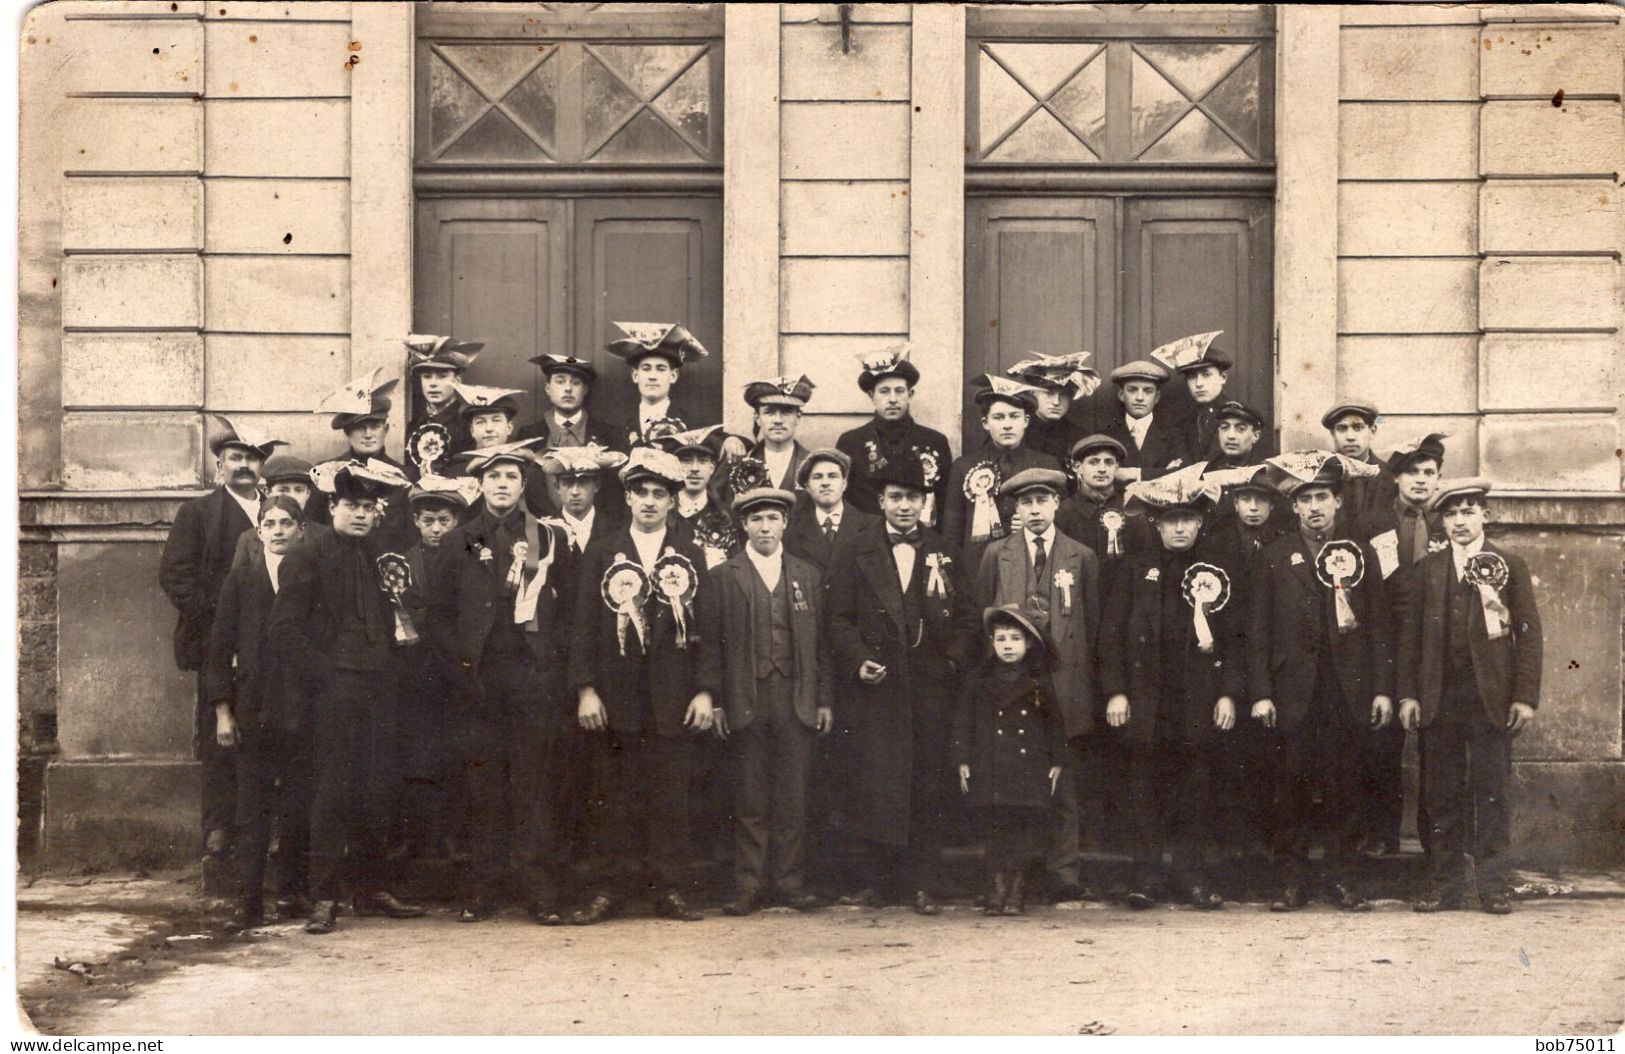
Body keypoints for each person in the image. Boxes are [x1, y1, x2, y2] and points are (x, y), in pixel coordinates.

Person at [267, 459, 426, 935]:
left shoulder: (382, 554)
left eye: (368, 507)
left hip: (381, 686)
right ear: (332, 506)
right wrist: (325, 676)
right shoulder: (308, 554)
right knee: (332, 791)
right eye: (351, 506)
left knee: (379, 786)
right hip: (333, 691)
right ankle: (324, 896)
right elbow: (285, 630)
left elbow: (402, 619)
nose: (360, 515)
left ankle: (372, 888)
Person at [566, 447, 716, 925]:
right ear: (627, 497)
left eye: (659, 494)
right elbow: (584, 625)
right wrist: (586, 689)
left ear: (673, 501)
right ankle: (607, 888)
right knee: (611, 793)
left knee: (672, 795)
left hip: (673, 695)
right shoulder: (604, 548)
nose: (650, 502)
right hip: (617, 695)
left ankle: (670, 888)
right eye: (641, 492)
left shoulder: (690, 552)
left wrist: (705, 690)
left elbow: (706, 629)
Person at [1247, 451, 1394, 913]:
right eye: (1305, 498)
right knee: (1288, 786)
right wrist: (1262, 694)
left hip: (1345, 690)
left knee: (1345, 786)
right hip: (1292, 690)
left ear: (1337, 502)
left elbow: (1380, 627)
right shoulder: (1275, 556)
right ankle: (1291, 881)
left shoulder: (1360, 553)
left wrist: (1382, 688)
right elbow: (1258, 631)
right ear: (1293, 507)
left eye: (1322, 497)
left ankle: (1343, 879)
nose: (1314, 507)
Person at [826, 458, 973, 914]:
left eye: (912, 498)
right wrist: (859, 660)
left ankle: (924, 882)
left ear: (924, 502)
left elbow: (969, 619)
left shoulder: (943, 548)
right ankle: (878, 882)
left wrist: (951, 661)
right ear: (881, 502)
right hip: (878, 687)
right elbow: (837, 618)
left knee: (927, 783)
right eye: (895, 498)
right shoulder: (856, 547)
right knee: (875, 783)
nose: (904, 506)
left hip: (930, 688)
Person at [440, 439, 577, 924]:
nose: (502, 485)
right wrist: (461, 668)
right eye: (493, 477)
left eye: (511, 478)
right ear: (480, 484)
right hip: (480, 681)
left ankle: (538, 888)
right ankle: (483, 887)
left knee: (533, 784)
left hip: (531, 676)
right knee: (484, 785)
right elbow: (443, 612)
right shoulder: (464, 538)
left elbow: (568, 608)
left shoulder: (546, 536)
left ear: (523, 487)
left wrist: (551, 666)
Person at [1099, 468, 1243, 910]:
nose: (1179, 528)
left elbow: (1237, 637)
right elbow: (1112, 632)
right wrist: (1117, 691)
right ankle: (1145, 876)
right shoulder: (1135, 568)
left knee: (1195, 789)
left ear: (1199, 525)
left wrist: (1227, 693)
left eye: (1188, 521)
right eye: (1171, 521)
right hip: (1147, 698)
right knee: (1142, 789)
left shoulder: (1215, 572)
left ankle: (1191, 876)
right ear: (1157, 524)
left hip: (1196, 698)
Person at [1397, 478, 1543, 914]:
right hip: (1439, 698)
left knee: (1491, 790)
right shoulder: (1428, 569)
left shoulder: (1508, 564)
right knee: (1439, 792)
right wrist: (1408, 695)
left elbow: (1529, 635)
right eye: (1451, 514)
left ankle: (1494, 884)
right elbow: (1410, 639)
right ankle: (1444, 884)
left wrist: (1524, 697)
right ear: (1441, 521)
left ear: (1485, 515)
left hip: (1491, 699)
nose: (1460, 521)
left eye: (1468, 512)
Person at [696, 487, 833, 915]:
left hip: (796, 697)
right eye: (756, 519)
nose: (765, 527)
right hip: (746, 697)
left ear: (786, 523)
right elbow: (711, 646)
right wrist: (716, 699)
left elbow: (822, 645)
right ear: (744, 525)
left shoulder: (807, 575)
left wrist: (823, 699)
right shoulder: (723, 576)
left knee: (792, 795)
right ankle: (749, 884)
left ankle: (790, 881)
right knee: (750, 796)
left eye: (773, 518)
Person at [159, 414, 285, 865]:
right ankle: (218, 827)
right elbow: (176, 576)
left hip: (271, 647)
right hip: (219, 641)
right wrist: (222, 626)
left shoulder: (279, 512)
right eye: (236, 457)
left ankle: (265, 829)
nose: (244, 465)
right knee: (220, 733)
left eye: (252, 457)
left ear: (262, 465)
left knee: (269, 733)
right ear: (220, 465)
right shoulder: (199, 513)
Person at [972, 467, 1100, 903]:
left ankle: (1063, 872)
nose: (1034, 509)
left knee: (1061, 783)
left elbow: (1093, 622)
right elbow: (983, 619)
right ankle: (1016, 878)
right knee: (1013, 787)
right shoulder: (997, 554)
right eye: (1025, 502)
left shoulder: (1080, 555)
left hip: (1064, 684)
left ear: (1057, 504)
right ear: (1015, 507)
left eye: (1042, 500)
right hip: (1013, 689)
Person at [204, 495, 312, 933]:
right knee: (253, 810)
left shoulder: (312, 576)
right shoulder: (242, 580)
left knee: (299, 804)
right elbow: (218, 650)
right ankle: (249, 903)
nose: (280, 530)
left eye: (288, 523)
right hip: (254, 711)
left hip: (303, 711)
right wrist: (223, 714)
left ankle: (291, 894)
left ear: (301, 529)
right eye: (271, 523)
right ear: (260, 531)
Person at [1359, 432, 1450, 858]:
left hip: (1435, 644)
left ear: (1438, 479)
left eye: (1428, 473)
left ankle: (1437, 843)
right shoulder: (1374, 523)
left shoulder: (1446, 524)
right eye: (1411, 472)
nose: (1420, 480)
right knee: (1381, 741)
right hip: (1385, 639)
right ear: (1395, 478)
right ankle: (1381, 833)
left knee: (1436, 744)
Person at [952, 606, 1067, 916]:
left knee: (1023, 831)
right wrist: (963, 759)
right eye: (1001, 638)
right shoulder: (978, 679)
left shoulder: (1039, 681)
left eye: (1015, 638)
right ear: (992, 642)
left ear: (1029, 643)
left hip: (1028, 767)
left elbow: (1055, 723)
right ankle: (995, 890)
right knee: (995, 831)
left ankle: (1016, 892)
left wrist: (1056, 761)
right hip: (990, 764)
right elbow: (964, 722)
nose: (1007, 645)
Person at [394, 477, 476, 862]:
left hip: (459, 673)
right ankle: (418, 836)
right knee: (417, 755)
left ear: (458, 520)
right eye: (428, 520)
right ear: (416, 522)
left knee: (458, 753)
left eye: (444, 520)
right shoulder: (402, 562)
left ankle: (453, 836)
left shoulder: (475, 554)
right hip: (416, 673)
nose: (437, 529)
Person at [941, 374, 1062, 568]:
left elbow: (1060, 523)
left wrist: (1034, 526)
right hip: (977, 569)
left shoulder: (1046, 465)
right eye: (998, 417)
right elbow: (952, 532)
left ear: (1026, 421)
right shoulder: (963, 467)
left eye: (1014, 416)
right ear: (985, 423)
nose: (1007, 424)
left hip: (1030, 567)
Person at [835, 346, 952, 528]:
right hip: (866, 542)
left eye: (899, 391)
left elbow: (945, 502)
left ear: (910, 394)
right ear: (872, 396)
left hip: (920, 540)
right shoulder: (851, 442)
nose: (892, 399)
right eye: (884, 391)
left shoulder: (935, 442)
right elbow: (843, 502)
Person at [606, 321, 747, 463]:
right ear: (635, 376)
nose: (652, 376)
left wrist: (731, 440)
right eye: (646, 368)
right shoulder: (617, 423)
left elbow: (721, 440)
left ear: (673, 376)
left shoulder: (691, 422)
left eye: (660, 369)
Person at [312, 369, 413, 551]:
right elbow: (314, 527)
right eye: (359, 427)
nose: (368, 435)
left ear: (386, 429)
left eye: (374, 426)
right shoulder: (326, 472)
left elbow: (410, 535)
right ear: (347, 432)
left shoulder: (406, 476)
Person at [517, 353, 623, 514]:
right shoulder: (528, 435)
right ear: (548, 388)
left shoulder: (609, 434)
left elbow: (614, 495)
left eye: (576, 383)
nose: (568, 388)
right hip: (542, 530)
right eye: (560, 381)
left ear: (585, 390)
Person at [1055, 434, 1151, 586]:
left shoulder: (1132, 511)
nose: (1102, 469)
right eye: (1093, 462)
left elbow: (1143, 565)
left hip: (1122, 603)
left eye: (1109, 462)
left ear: (1116, 467)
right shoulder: (1062, 513)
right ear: (1077, 467)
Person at [655, 424, 740, 570]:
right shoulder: (660, 515)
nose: (694, 469)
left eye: (702, 461)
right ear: (675, 466)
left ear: (712, 468)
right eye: (686, 460)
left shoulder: (728, 517)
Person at [784, 448, 879, 577]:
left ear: (844, 484)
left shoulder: (872, 526)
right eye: (817, 477)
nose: (825, 483)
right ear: (807, 487)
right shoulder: (792, 530)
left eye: (833, 476)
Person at [230, 455, 333, 568]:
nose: (292, 497)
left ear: (308, 493)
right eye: (283, 490)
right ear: (268, 493)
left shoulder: (325, 536)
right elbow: (237, 583)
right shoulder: (249, 539)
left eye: (299, 490)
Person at [403, 333, 483, 474]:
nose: (433, 384)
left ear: (457, 381)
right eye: (427, 377)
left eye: (442, 376)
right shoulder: (414, 425)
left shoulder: (467, 422)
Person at [1148, 331, 1231, 464]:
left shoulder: (1240, 418)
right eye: (1192, 377)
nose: (1199, 384)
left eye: (1206, 375)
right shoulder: (1182, 422)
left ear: (1223, 377)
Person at [1322, 400, 1399, 541]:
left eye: (1358, 428)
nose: (1350, 437)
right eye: (1342, 429)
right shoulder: (1321, 475)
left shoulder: (1389, 474)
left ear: (1372, 431)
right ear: (1333, 434)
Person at [1005, 352, 1100, 464]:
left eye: (1064, 394)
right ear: (1032, 393)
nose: (1056, 402)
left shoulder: (1081, 438)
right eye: (1048, 393)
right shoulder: (1015, 434)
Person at [538, 444, 629, 556]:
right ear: (557, 487)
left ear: (596, 486)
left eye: (583, 483)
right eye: (568, 483)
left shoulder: (616, 529)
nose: (575, 492)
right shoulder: (545, 530)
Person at [1103, 360, 1186, 483]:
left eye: (1148, 391)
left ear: (1157, 397)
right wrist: (1164, 472)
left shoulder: (1174, 434)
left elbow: (1184, 473)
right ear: (1121, 394)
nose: (1140, 398)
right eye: (1132, 390)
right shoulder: (1106, 436)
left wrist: (1136, 473)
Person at [743, 375, 815, 492]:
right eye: (769, 412)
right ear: (757, 418)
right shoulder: (742, 464)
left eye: (786, 412)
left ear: (798, 417)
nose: (778, 420)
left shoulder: (814, 465)